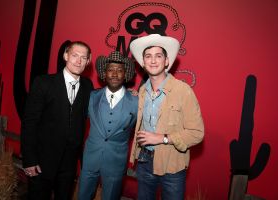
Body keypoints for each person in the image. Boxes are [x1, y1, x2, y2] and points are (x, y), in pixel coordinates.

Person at [129, 34, 204, 200]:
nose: (153, 60)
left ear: (167, 61)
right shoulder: (141, 92)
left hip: (172, 166)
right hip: (144, 161)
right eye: (148, 56)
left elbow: (197, 133)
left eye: (158, 56)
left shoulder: (183, 90)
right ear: (143, 63)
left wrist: (162, 138)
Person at [21, 41, 94, 200]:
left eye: (83, 57)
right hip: (41, 162)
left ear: (88, 62)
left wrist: (128, 92)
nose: (78, 61)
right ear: (65, 55)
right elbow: (29, 123)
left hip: (68, 166)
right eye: (74, 55)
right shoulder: (43, 82)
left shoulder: (88, 86)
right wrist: (29, 160)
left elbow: (102, 102)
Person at [78, 51, 138, 200]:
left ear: (125, 74)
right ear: (104, 73)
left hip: (116, 161)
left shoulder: (137, 101)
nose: (115, 74)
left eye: (120, 70)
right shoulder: (92, 97)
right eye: (111, 69)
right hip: (90, 158)